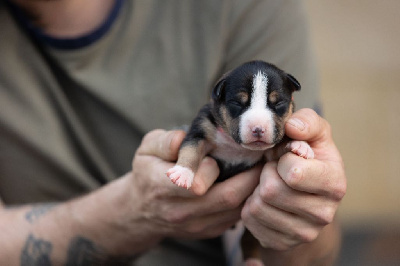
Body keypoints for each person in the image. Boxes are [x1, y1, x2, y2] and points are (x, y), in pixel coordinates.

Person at [0, 0, 346, 265]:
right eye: (240, 105)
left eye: (274, 106)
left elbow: (316, 247)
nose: (258, 122)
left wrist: (300, 211)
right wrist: (130, 211)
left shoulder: (247, 9)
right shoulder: (209, 123)